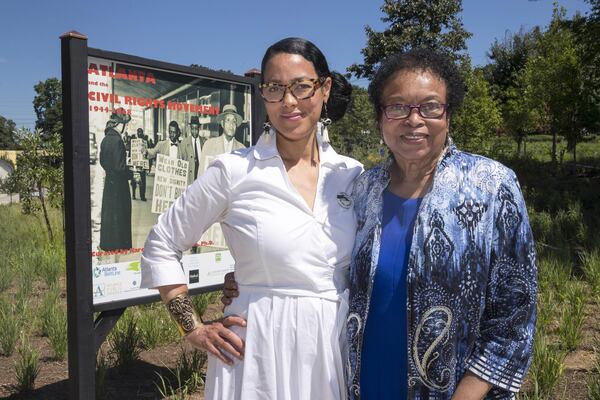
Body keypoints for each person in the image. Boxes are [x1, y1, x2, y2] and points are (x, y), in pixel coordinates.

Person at [223, 48, 537, 399]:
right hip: (360, 383)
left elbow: (514, 314)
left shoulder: (491, 185)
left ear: (448, 115)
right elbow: (323, 257)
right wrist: (255, 279)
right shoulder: (363, 188)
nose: (414, 120)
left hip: (452, 391)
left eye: (431, 107)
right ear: (380, 119)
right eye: (398, 107)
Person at [140, 37, 360, 400]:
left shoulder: (351, 174)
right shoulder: (234, 171)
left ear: (324, 89)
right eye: (275, 88)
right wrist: (192, 327)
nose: (288, 101)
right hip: (256, 350)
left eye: (301, 86)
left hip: (332, 347)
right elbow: (162, 243)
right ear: (264, 96)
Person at [99, 109, 133, 251]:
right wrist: (130, 172)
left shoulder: (105, 139)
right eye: (124, 124)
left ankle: (107, 244)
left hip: (109, 184)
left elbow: (103, 162)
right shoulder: (118, 141)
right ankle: (121, 246)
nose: (124, 128)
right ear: (119, 124)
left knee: (109, 216)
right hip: (119, 187)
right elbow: (120, 167)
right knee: (120, 216)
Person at [198, 104, 246, 174]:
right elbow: (201, 176)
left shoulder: (243, 150)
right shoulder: (209, 145)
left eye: (234, 121)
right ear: (222, 123)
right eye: (228, 120)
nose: (231, 124)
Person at [178, 116, 203, 185]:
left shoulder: (204, 142)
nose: (194, 131)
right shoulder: (184, 143)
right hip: (189, 181)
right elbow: (180, 161)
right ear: (190, 128)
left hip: (201, 179)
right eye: (192, 128)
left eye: (196, 128)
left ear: (199, 128)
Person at [130, 128, 148, 201]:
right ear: (137, 133)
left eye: (141, 132)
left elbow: (147, 153)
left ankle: (142, 196)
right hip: (136, 166)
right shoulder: (134, 142)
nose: (140, 133)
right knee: (135, 181)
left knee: (142, 183)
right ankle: (134, 195)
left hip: (142, 166)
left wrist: (147, 165)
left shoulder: (145, 142)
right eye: (139, 132)